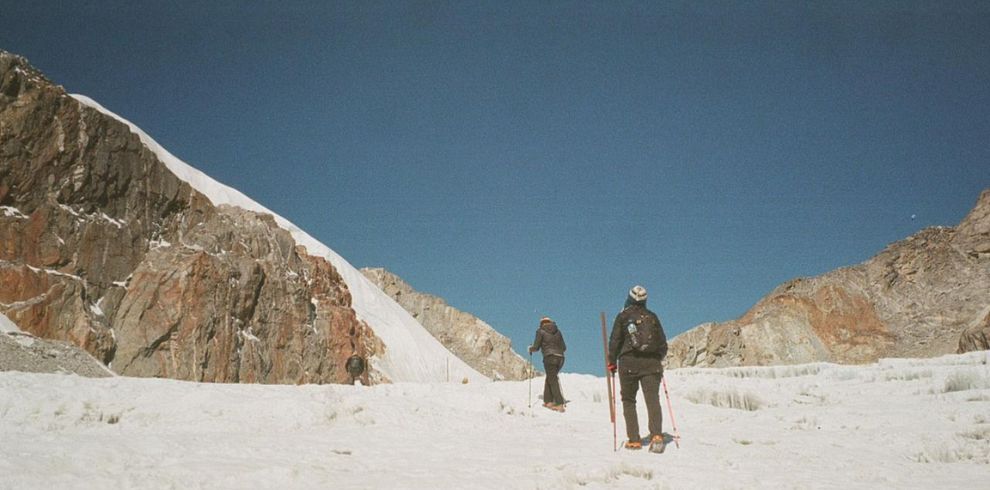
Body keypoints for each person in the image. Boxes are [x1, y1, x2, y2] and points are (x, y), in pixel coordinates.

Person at [607, 285, 668, 451]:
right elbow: (662, 343)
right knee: (652, 399)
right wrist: (657, 359)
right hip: (651, 365)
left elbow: (614, 342)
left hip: (628, 363)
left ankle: (634, 439)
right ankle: (656, 435)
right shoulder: (652, 317)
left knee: (628, 400)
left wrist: (611, 362)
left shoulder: (623, 316)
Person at [529, 316, 566, 412]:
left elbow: (536, 347)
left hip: (549, 357)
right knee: (551, 377)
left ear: (542, 323)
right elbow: (564, 347)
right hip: (561, 358)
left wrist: (530, 348)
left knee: (552, 379)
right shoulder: (558, 331)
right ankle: (548, 400)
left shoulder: (540, 331)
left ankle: (559, 403)